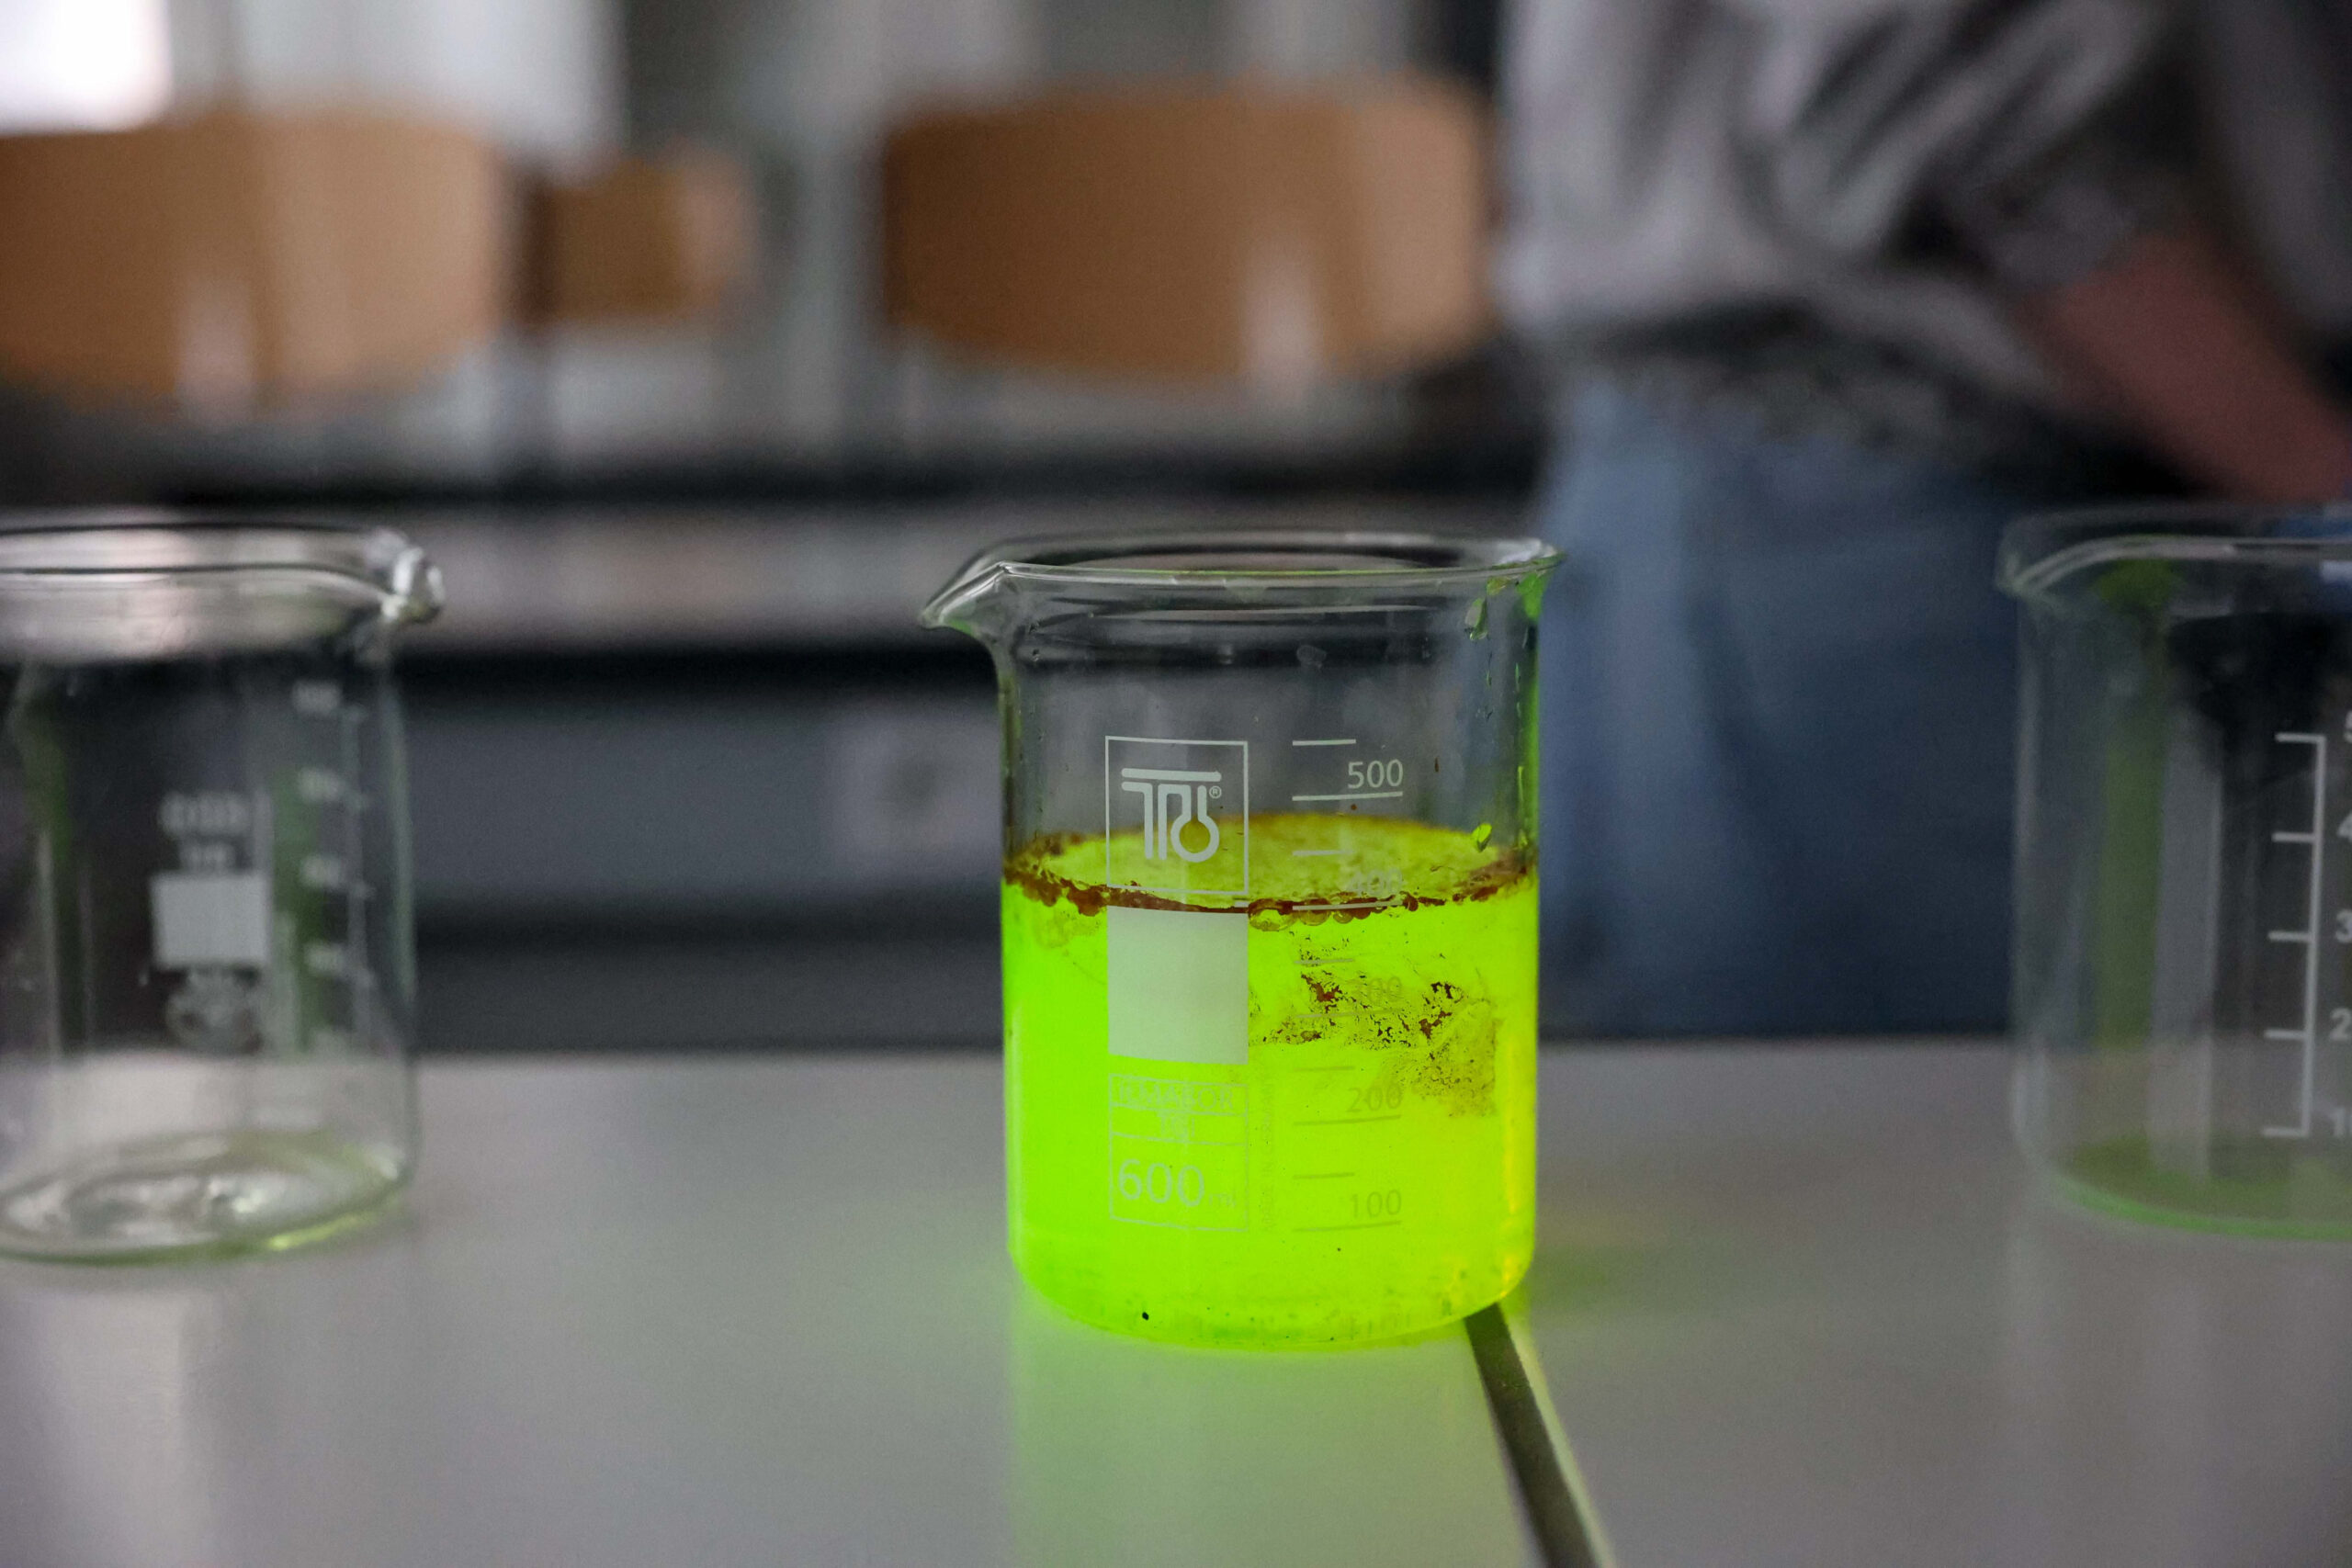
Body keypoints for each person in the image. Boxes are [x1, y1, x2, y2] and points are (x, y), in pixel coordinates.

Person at [1498, 0, 2352, 1036]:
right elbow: (1962, 114)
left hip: (1774, 519)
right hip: (1861, 537)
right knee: (1912, 1116)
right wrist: (2315, 473)